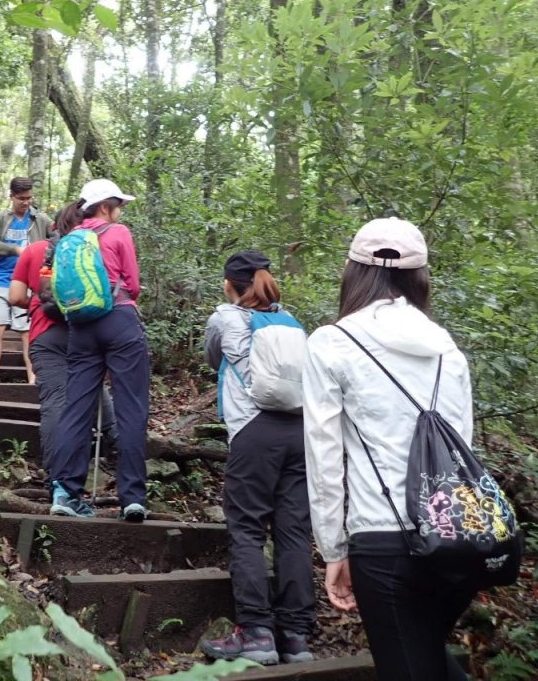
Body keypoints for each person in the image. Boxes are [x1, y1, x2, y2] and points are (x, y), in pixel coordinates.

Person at [303, 217, 477, 681]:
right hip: (457, 543)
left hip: (384, 543)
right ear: (420, 277)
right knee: (425, 659)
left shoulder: (331, 344)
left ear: (352, 272)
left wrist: (333, 548)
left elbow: (323, 457)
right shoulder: (448, 352)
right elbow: (463, 450)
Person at [200, 251, 316, 666]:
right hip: (300, 432)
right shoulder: (292, 322)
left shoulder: (225, 318)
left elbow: (215, 358)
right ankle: (296, 636)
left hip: (254, 430)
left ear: (230, 283)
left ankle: (256, 633)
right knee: (293, 532)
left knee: (247, 527)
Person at [47, 179, 151, 521]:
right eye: (118, 202)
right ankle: (132, 498)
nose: (121, 209)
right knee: (131, 408)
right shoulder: (118, 232)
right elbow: (133, 285)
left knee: (76, 407)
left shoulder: (71, 236)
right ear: (106, 204)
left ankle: (65, 493)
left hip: (80, 326)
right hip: (119, 320)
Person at [7, 202, 118, 474]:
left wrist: (38, 300)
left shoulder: (34, 251)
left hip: (46, 334)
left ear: (55, 225)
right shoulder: (95, 248)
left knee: (56, 402)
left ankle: (57, 475)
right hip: (88, 332)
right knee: (95, 390)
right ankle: (122, 457)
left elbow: (15, 297)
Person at [0, 178, 51, 384]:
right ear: (11, 196)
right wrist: (15, 250)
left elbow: (56, 239)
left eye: (29, 198)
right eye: (21, 198)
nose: (26, 202)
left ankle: (33, 380)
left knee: (27, 331)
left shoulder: (41, 219)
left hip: (29, 283)